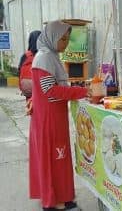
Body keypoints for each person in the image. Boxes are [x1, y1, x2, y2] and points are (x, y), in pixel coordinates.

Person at [28, 21, 88, 210]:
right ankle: (52, 201)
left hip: (55, 115)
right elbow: (50, 90)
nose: (66, 43)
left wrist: (77, 89)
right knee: (53, 158)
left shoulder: (51, 56)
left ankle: (63, 195)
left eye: (67, 38)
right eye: (63, 39)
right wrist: (81, 92)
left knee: (60, 157)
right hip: (49, 119)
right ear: (52, 37)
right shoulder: (44, 57)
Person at [18, 30, 41, 100]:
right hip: (41, 89)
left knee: (30, 106)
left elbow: (19, 71)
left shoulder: (25, 55)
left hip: (28, 88)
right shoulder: (45, 55)